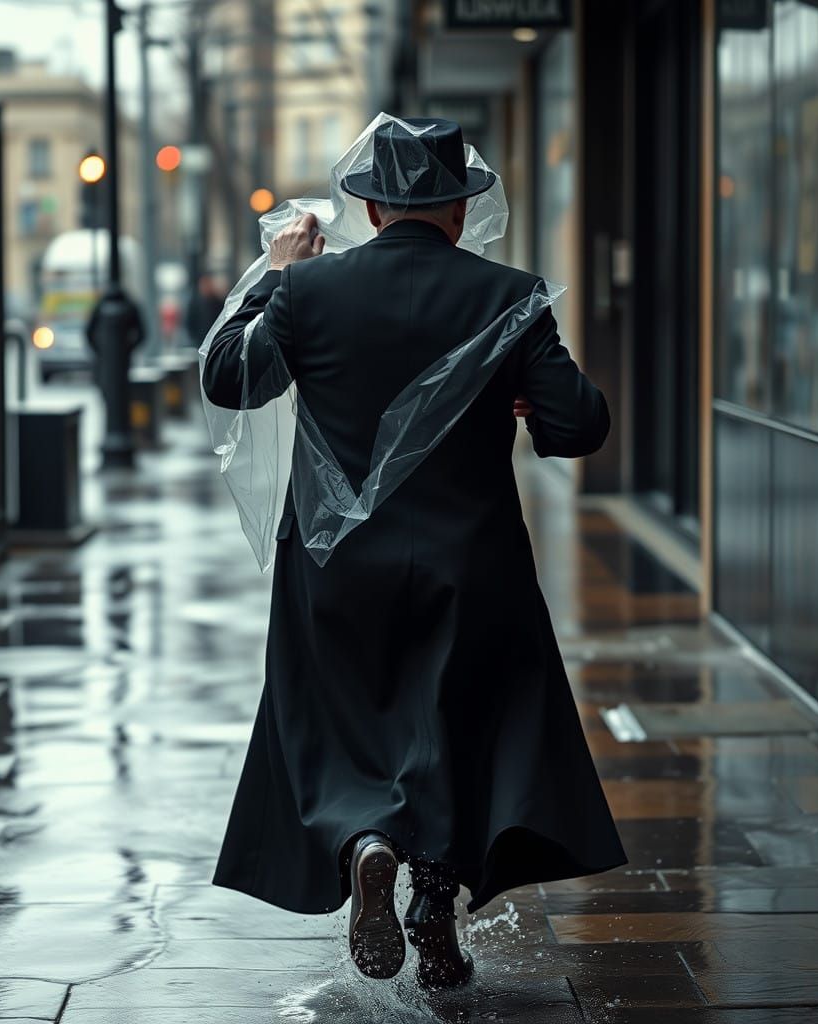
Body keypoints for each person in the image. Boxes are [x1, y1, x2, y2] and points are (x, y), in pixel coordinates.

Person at [203, 118, 625, 990]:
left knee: (347, 718)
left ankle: (367, 841)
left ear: (369, 208)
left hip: (333, 564)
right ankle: (435, 898)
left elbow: (230, 380)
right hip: (470, 562)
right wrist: (526, 400)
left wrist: (273, 278)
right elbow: (579, 425)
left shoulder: (308, 289)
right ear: (461, 211)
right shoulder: (509, 295)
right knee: (460, 721)